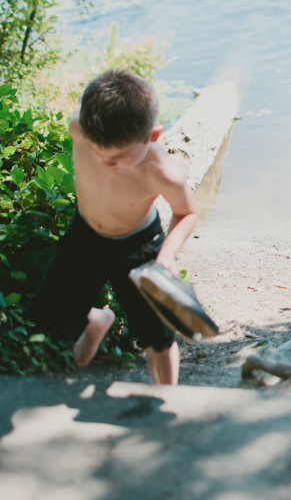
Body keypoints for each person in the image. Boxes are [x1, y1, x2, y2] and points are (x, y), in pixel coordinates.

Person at [28, 69, 197, 385]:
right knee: (50, 315)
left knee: (156, 338)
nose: (106, 163)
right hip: (86, 233)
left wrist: (166, 258)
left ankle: (167, 395)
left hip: (139, 245)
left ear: (153, 136)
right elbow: (94, 105)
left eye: (119, 158)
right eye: (96, 151)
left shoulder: (162, 172)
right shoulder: (81, 127)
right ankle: (98, 319)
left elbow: (186, 213)